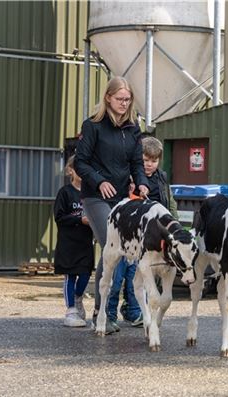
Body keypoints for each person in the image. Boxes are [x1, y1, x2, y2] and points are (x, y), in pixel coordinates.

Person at [74, 76, 149, 333]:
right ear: (108, 97)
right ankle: (101, 314)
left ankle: (104, 312)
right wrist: (99, 181)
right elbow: (80, 162)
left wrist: (142, 183)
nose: (124, 104)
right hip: (96, 196)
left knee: (114, 254)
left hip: (121, 198)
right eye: (119, 99)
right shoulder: (93, 126)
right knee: (112, 246)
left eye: (127, 100)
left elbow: (137, 163)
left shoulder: (132, 128)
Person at [106, 136, 178, 329]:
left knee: (138, 275)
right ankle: (109, 314)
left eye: (154, 161)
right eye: (145, 160)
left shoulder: (161, 177)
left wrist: (174, 221)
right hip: (129, 234)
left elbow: (169, 201)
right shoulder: (131, 176)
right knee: (117, 274)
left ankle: (133, 311)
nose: (149, 164)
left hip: (153, 237)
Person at [53, 155, 94, 327]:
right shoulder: (65, 192)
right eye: (79, 169)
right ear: (71, 170)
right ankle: (70, 310)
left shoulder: (91, 194)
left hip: (85, 242)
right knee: (70, 275)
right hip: (68, 243)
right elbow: (59, 217)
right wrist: (79, 220)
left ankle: (78, 298)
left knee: (85, 274)